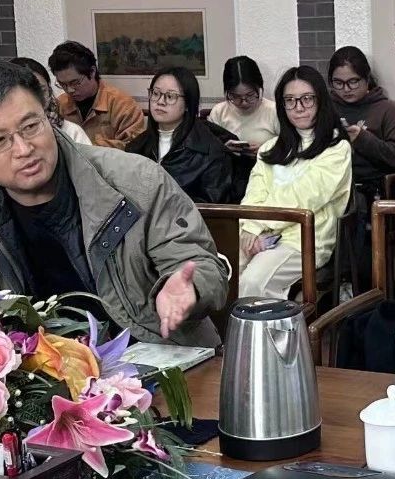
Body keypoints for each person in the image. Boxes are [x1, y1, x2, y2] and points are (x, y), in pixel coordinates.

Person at [0, 59, 229, 347]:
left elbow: (200, 263)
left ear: (48, 116)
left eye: (31, 126)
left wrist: (189, 288)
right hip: (36, 379)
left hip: (153, 355)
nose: (24, 149)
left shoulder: (135, 180)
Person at [239, 66, 352, 299]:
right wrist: (248, 229)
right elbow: (254, 194)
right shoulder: (270, 148)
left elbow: (303, 197)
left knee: (254, 281)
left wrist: (256, 224)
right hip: (261, 232)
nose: (298, 107)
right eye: (290, 100)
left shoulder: (336, 148)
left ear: (321, 101)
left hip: (304, 240)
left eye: (307, 99)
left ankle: (277, 325)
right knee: (221, 270)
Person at [127, 65, 233, 204]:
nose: (160, 102)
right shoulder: (136, 147)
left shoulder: (211, 153)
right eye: (156, 93)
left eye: (170, 96)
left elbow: (211, 206)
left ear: (188, 104)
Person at [329, 46, 395, 189]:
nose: (346, 89)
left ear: (367, 78)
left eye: (353, 81)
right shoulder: (327, 108)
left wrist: (362, 139)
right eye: (338, 83)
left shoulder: (386, 110)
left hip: (371, 186)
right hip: (331, 183)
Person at [48, 40, 145, 149]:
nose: (69, 90)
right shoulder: (59, 105)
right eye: (62, 84)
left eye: (75, 82)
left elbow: (134, 148)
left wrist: (86, 147)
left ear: (92, 71)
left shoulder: (123, 106)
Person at [208, 56, 280, 198]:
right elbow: (208, 150)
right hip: (229, 181)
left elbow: (290, 146)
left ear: (259, 87)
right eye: (235, 96)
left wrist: (266, 150)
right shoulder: (219, 112)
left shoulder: (274, 111)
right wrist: (224, 149)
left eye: (250, 95)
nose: (244, 102)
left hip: (268, 177)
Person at [12, 57, 91, 145]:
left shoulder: (71, 132)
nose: (34, 99)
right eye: (23, 93)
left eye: (41, 90)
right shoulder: (4, 135)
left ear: (49, 89)